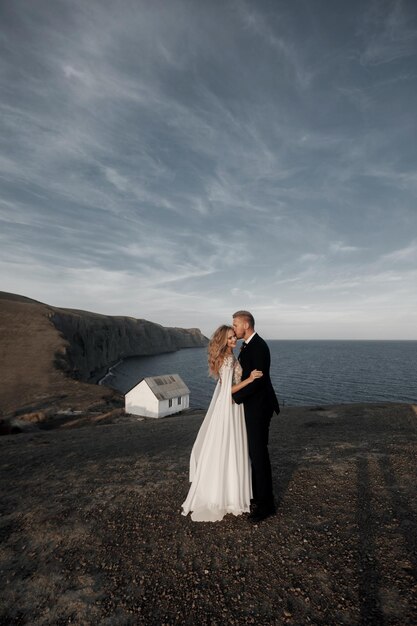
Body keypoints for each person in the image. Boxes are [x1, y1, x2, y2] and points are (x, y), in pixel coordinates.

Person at [181, 325, 263, 522]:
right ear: (223, 341)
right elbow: (229, 390)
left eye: (234, 337)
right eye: (229, 338)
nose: (234, 340)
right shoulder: (227, 359)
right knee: (229, 446)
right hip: (229, 406)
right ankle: (227, 494)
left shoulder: (229, 357)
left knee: (226, 447)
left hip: (227, 406)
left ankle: (228, 490)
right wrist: (250, 379)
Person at [232, 310, 280, 523]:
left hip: (259, 408)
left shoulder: (259, 346)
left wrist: (233, 398)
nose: (233, 328)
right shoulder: (248, 345)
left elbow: (258, 381)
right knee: (253, 453)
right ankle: (257, 496)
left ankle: (266, 505)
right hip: (252, 406)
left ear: (246, 324)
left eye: (235, 325)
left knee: (259, 454)